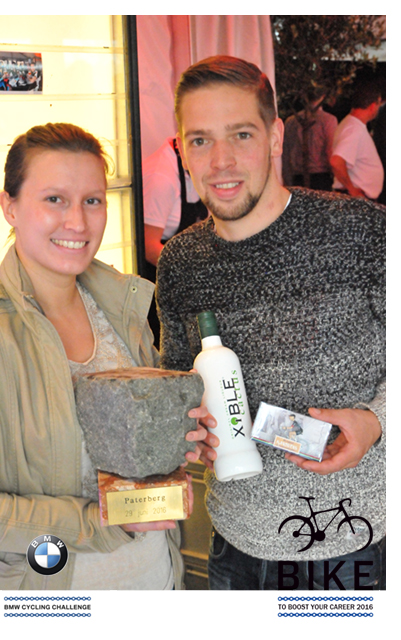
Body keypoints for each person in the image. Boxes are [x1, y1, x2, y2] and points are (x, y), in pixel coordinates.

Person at [156, 56, 386, 590]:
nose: (221, 162)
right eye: (200, 140)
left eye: (241, 135)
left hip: (350, 547)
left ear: (276, 136)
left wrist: (377, 422)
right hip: (234, 547)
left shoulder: (360, 233)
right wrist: (189, 431)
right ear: (181, 149)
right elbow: (179, 388)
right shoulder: (180, 264)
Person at [0, 122, 217, 591]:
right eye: (55, 199)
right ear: (10, 206)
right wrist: (101, 524)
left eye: (92, 200)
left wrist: (181, 441)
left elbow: (138, 463)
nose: (78, 222)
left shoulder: (123, 307)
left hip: (157, 580)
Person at [143, 137, 208, 346]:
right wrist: (192, 273)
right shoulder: (161, 177)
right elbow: (148, 246)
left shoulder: (196, 164)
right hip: (157, 275)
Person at [330, 82, 384, 200]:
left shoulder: (353, 125)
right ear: (372, 106)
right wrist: (352, 189)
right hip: (353, 199)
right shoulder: (354, 128)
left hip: (354, 198)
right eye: (378, 104)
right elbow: (336, 161)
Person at [282, 94, 337, 191]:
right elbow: (330, 150)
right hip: (321, 177)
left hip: (297, 177)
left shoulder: (291, 121)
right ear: (323, 96)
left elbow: (286, 155)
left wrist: (287, 180)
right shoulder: (328, 120)